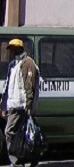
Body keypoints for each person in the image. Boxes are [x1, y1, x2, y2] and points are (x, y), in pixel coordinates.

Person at [1, 39, 40, 167]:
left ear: (19, 48)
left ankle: (16, 160)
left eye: (13, 48)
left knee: (10, 132)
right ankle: (26, 158)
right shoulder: (13, 64)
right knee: (22, 134)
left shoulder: (28, 63)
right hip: (13, 104)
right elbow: (8, 86)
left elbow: (29, 86)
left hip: (21, 105)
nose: (11, 51)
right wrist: (4, 105)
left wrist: (28, 105)